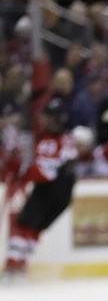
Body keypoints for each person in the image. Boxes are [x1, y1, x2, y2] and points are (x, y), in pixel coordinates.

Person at [5, 98, 77, 278]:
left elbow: (47, 173)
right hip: (62, 196)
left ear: (55, 119)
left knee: (23, 224)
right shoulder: (63, 139)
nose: (42, 119)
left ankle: (13, 265)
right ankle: (21, 265)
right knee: (34, 228)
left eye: (46, 116)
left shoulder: (55, 141)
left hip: (50, 190)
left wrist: (21, 173)